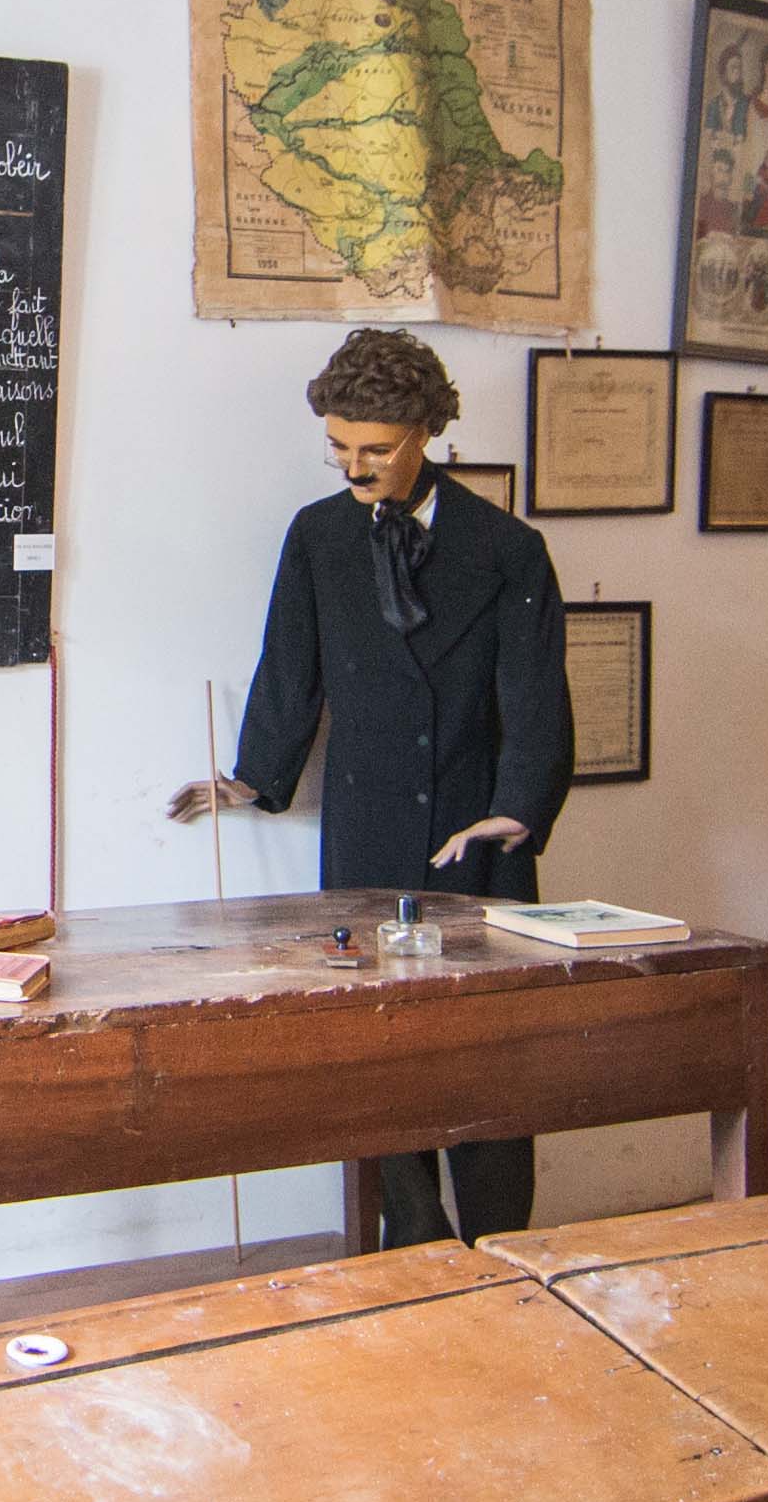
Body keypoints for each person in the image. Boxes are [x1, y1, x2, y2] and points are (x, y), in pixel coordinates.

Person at [168, 328, 573, 1244]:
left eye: (376, 450)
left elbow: (536, 693)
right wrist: (255, 775)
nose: (355, 468)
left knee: (490, 1050)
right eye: (339, 448)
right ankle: (413, 1248)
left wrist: (518, 808)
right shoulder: (316, 536)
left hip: (475, 831)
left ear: (426, 432)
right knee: (377, 1046)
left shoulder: (507, 548)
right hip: (364, 829)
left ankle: (502, 1250)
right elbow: (290, 664)